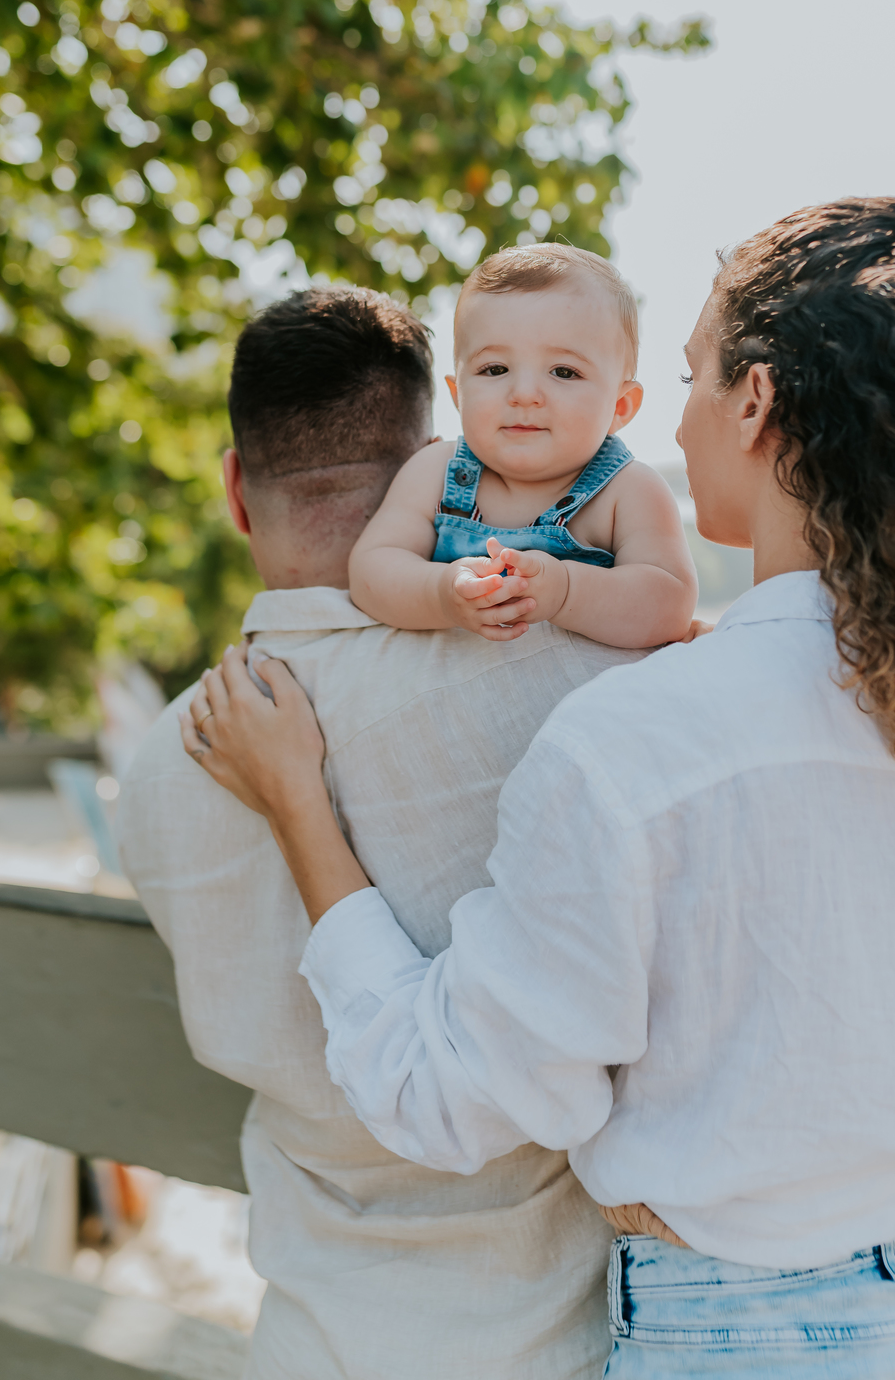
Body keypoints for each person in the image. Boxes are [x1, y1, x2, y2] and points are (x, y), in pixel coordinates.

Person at [186, 199, 895, 1378]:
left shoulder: (637, 738)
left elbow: (445, 1098)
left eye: (691, 376)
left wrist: (298, 807)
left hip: (758, 1341)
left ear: (756, 402)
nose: (676, 425)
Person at [116, 284, 649, 1380]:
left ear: (234, 487)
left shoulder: (157, 770)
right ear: (441, 459)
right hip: (556, 1341)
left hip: (305, 1339)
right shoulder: (575, 677)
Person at [348, 245, 698, 647]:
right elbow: (370, 571)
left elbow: (671, 605)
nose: (524, 394)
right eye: (494, 369)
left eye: (564, 372)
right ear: (458, 393)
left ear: (619, 406)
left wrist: (567, 591)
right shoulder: (436, 472)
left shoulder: (629, 492)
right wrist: (441, 593)